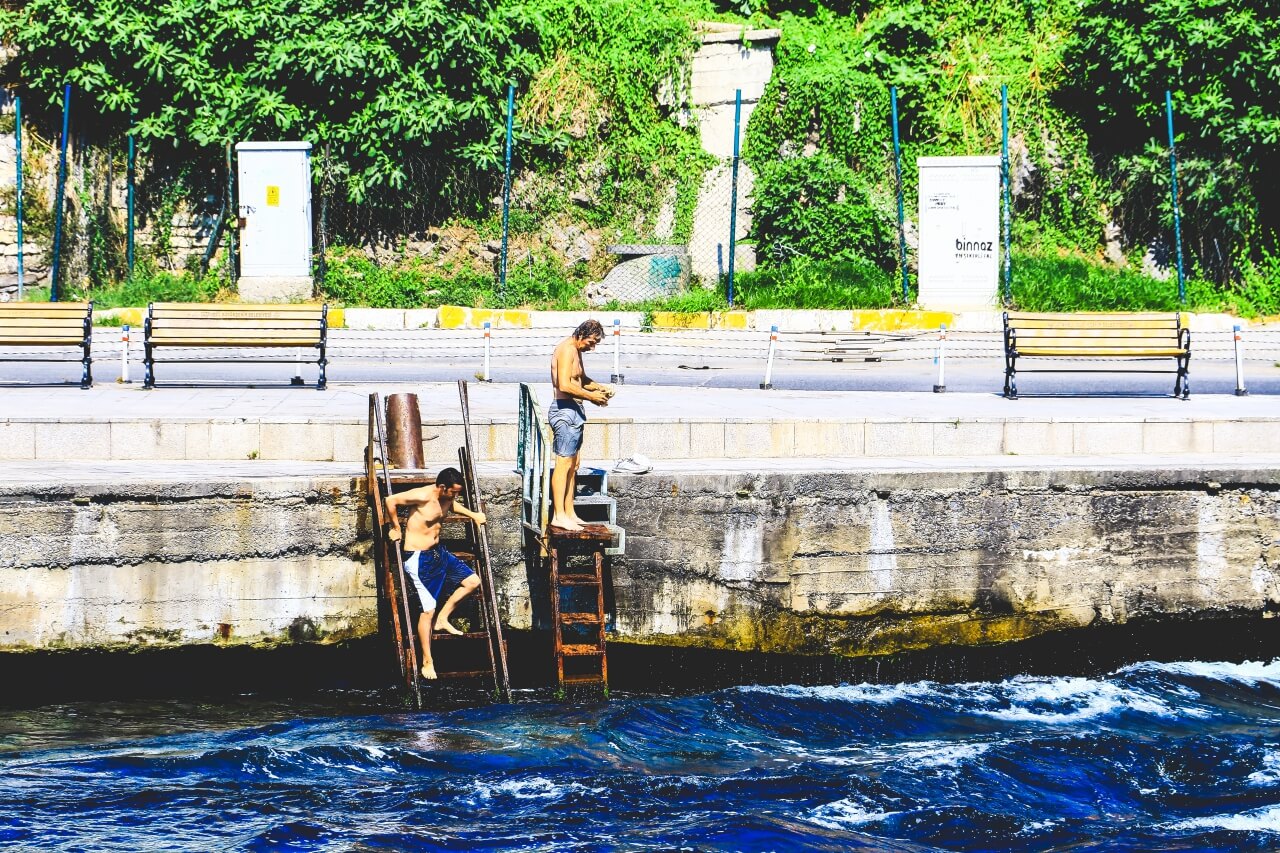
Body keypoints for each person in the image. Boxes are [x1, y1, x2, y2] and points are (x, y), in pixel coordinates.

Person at [385, 466, 486, 680]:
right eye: (454, 491)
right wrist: (395, 527)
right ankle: (427, 661)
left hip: (439, 553)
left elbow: (452, 505)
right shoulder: (423, 495)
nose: (456, 495)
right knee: (427, 611)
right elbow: (390, 500)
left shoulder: (447, 497)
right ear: (442, 487)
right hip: (419, 559)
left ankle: (443, 618)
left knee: (473, 581)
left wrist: (473, 515)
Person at [548, 319, 613, 531]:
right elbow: (564, 384)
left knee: (573, 466)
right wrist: (592, 397)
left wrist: (600, 388)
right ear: (581, 334)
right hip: (564, 410)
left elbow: (581, 379)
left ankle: (569, 512)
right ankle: (558, 515)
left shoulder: (577, 352)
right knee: (563, 463)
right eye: (591, 342)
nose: (592, 347)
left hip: (575, 410)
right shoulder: (566, 349)